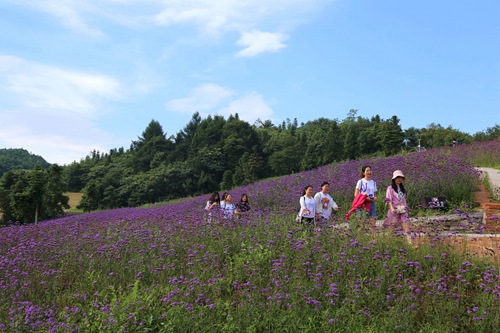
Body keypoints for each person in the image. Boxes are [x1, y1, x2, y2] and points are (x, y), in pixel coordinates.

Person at [385, 170, 411, 243]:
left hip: (403, 210)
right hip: (394, 210)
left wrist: (406, 208)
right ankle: (390, 243)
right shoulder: (390, 188)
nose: (399, 179)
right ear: (394, 178)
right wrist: (392, 209)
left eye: (400, 177)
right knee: (392, 228)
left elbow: (404, 200)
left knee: (406, 226)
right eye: (397, 177)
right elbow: (388, 200)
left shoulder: (403, 189)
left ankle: (410, 243)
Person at [355, 166, 378, 236]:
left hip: (371, 203)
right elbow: (356, 194)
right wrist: (365, 198)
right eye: (367, 171)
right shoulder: (361, 181)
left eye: (370, 170)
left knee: (373, 223)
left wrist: (375, 198)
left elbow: (374, 194)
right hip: (362, 204)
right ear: (363, 173)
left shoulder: (373, 182)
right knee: (362, 224)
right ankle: (359, 239)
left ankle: (373, 239)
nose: (369, 172)